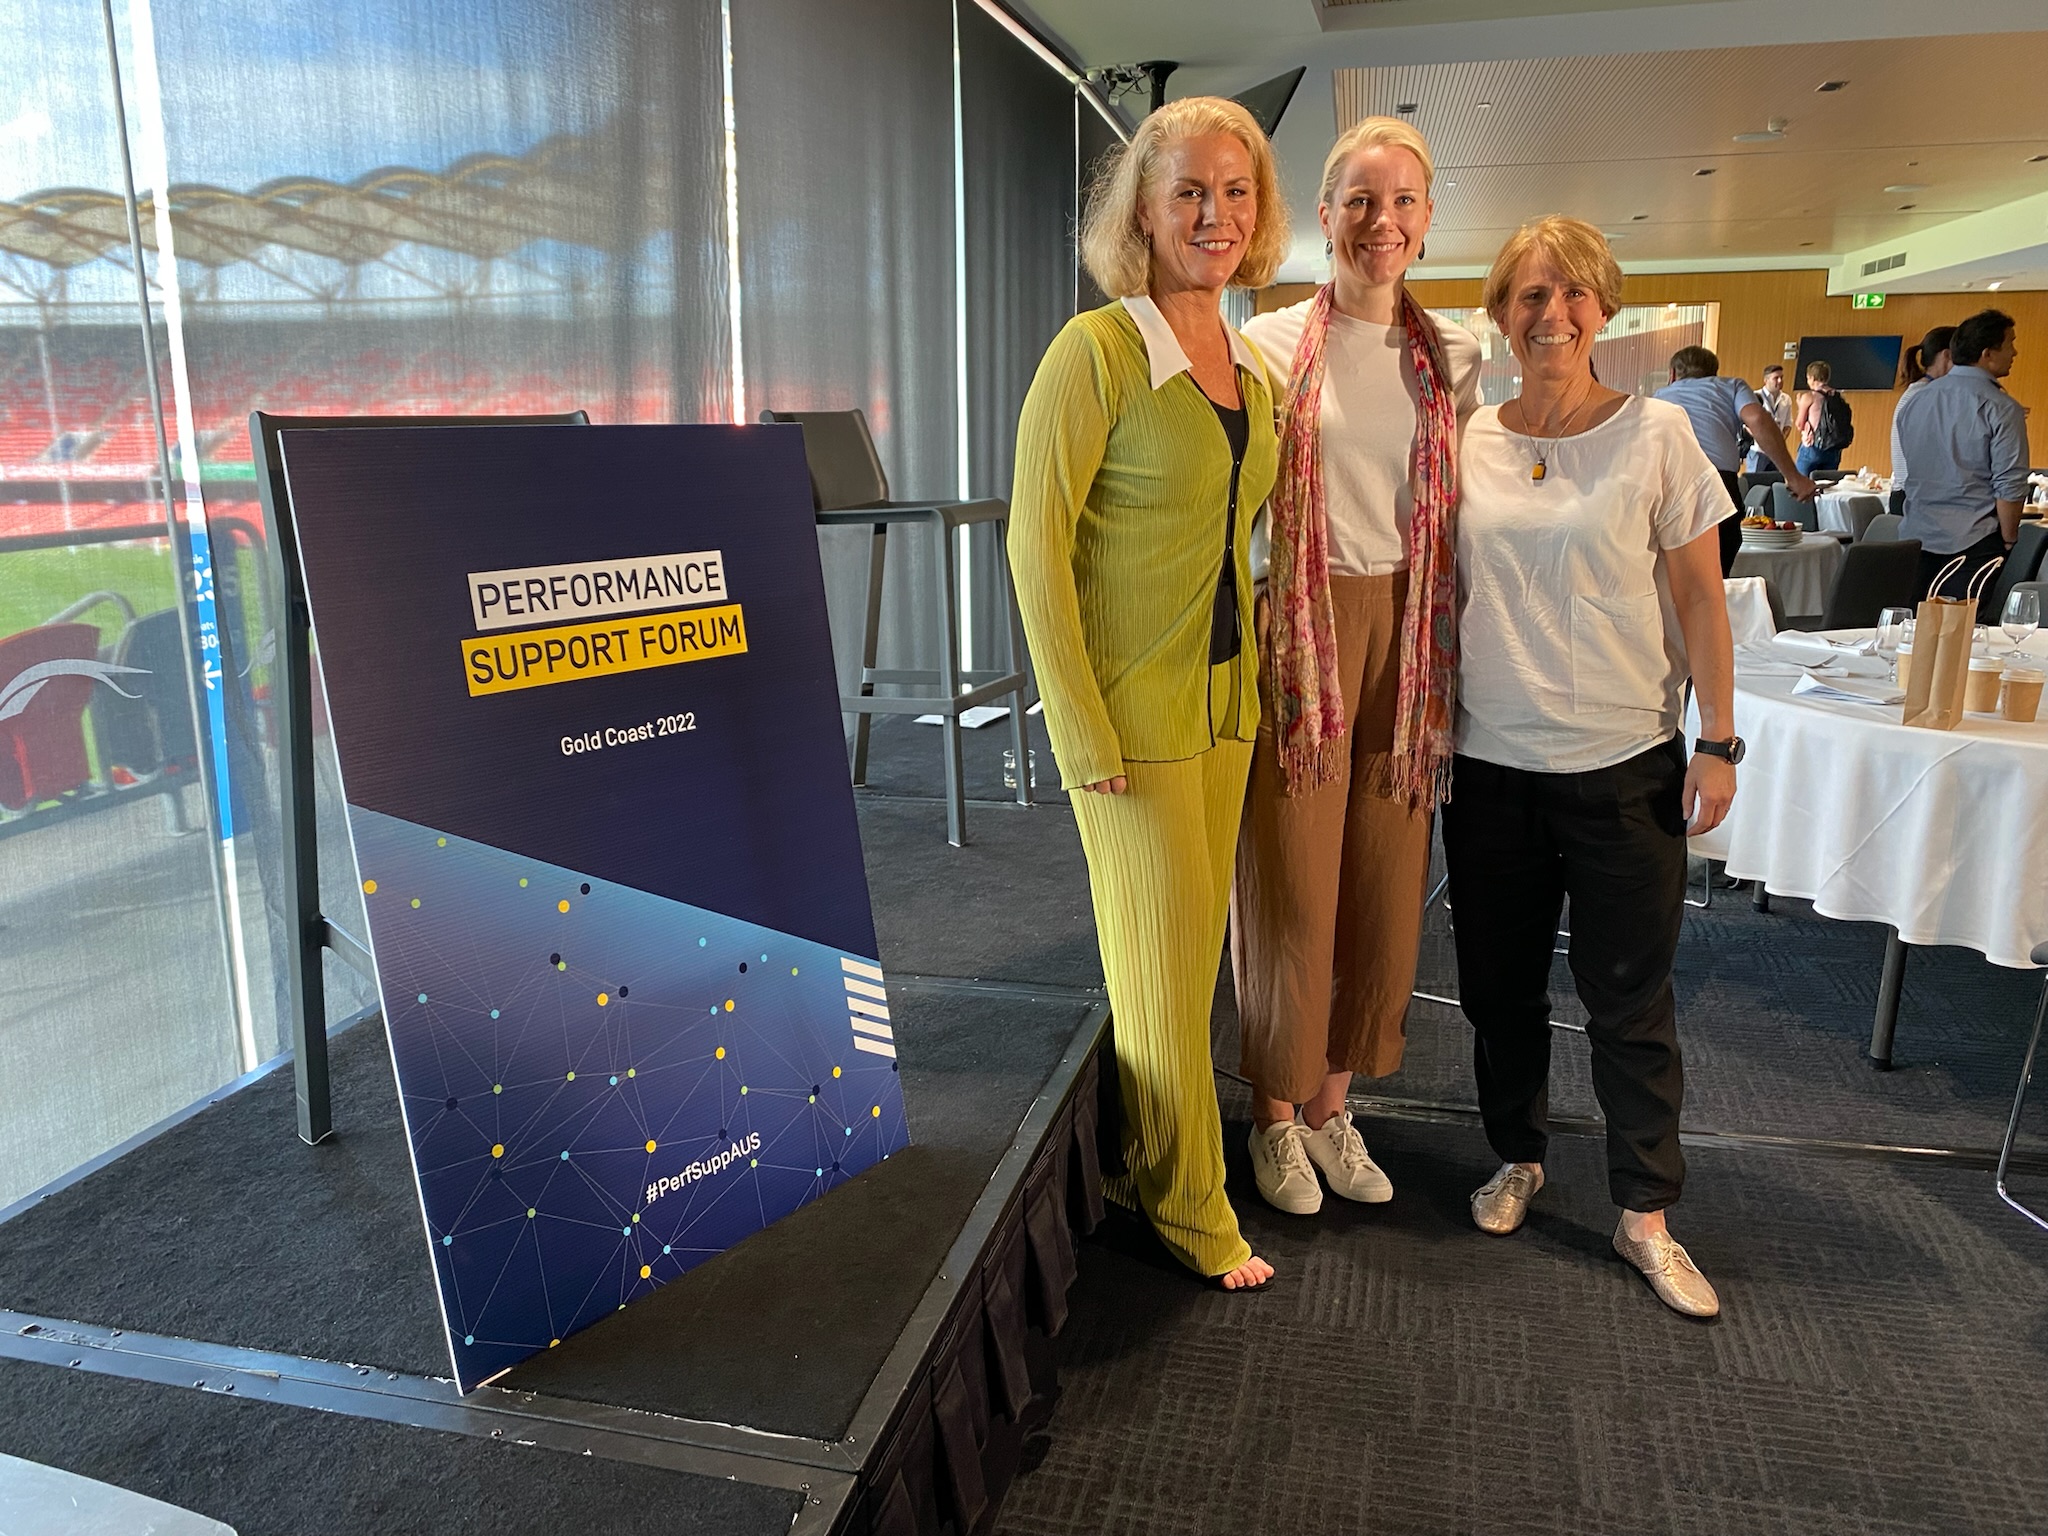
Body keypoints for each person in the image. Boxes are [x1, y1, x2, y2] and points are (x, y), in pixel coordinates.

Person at [1008, 96, 1287, 1292]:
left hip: (1223, 709)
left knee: (1188, 965)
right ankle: (1188, 1208)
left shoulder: (1248, 366)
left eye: (1233, 192)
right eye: (1187, 192)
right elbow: (1034, 548)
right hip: (1128, 718)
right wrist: (1076, 728)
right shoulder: (1097, 352)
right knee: (1155, 977)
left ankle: (1146, 1163)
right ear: (1140, 211)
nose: (1212, 214)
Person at [1444, 216, 1738, 1318]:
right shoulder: (1468, 439)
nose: (1549, 314)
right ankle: (1516, 1153)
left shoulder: (1657, 435)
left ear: (1603, 308)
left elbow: (1700, 599)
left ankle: (1644, 1213)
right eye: (1525, 295)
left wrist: (1715, 739)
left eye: (1569, 293)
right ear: (1500, 314)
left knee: (1626, 997)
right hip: (1490, 767)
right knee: (1497, 992)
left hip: (1623, 762)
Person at [1230, 116, 1480, 1217]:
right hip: (1302, 622)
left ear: (1426, 221)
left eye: (1403, 201)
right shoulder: (1270, 343)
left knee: (1382, 872)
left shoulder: (1452, 355)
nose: (1381, 221)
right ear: (1322, 213)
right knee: (1289, 876)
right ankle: (1273, 1119)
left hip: (1412, 630)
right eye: (1358, 200)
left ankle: (1333, 1105)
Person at [1892, 308, 2027, 600]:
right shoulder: (2001, 408)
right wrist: (2009, 539)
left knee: (1916, 630)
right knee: (1964, 636)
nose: (2015, 352)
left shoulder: (1916, 401)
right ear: (1987, 353)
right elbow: (2010, 484)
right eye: (2011, 343)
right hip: (1974, 541)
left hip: (1916, 536)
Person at [1655, 346, 1813, 574]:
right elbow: (1757, 418)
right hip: (1718, 483)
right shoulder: (1732, 386)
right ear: (1714, 374)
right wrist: (1793, 476)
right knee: (1718, 576)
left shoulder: (1659, 397)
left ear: (1672, 374)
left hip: (1668, 485)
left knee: (1668, 575)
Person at [1890, 323, 1955, 491]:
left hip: (1914, 493)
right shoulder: (1925, 396)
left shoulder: (1926, 392)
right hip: (1913, 496)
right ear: (1947, 356)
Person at [1795, 360, 1852, 475]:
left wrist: (1799, 404)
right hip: (1834, 449)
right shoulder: (1838, 396)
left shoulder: (1809, 396)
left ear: (1810, 377)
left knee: (1800, 486)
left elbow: (1800, 424)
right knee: (1826, 488)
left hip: (1813, 447)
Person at [1743, 363, 1795, 475]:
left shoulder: (1786, 399)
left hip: (1777, 452)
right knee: (1755, 483)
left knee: (1774, 483)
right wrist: (1763, 439)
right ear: (1766, 380)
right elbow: (1746, 424)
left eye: (1782, 377)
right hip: (1758, 450)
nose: (1780, 381)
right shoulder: (1754, 396)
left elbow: (1788, 424)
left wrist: (1779, 440)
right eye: (1776, 378)